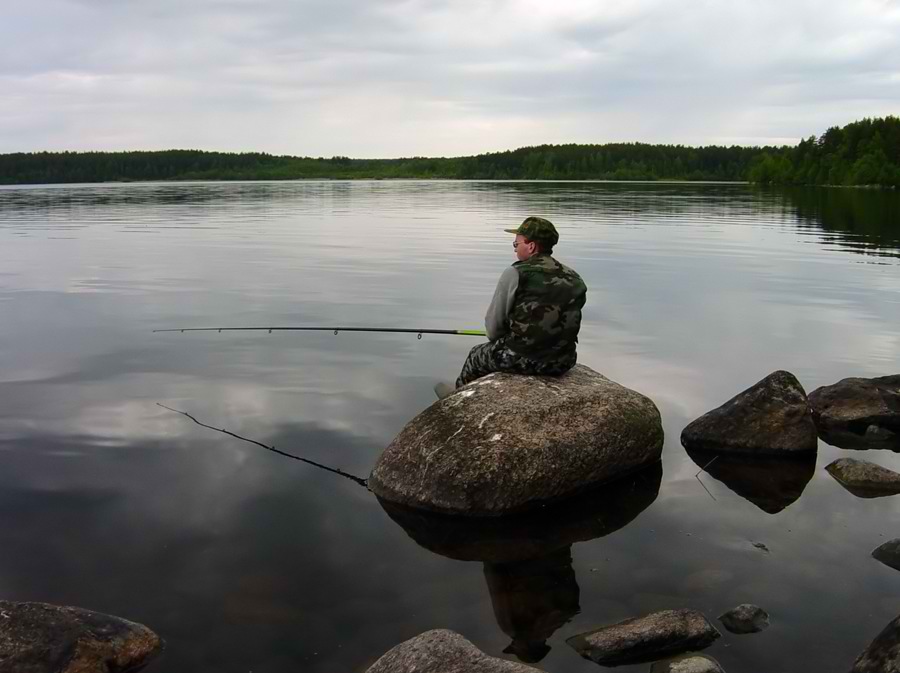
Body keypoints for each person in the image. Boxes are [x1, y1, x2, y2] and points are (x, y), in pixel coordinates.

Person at [453, 216, 587, 390]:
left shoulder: (516, 273)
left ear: (531, 246)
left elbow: (493, 331)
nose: (515, 249)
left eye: (516, 244)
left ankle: (458, 397)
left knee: (475, 355)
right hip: (563, 361)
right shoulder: (575, 277)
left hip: (524, 359)